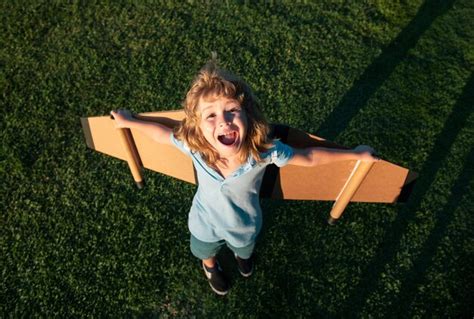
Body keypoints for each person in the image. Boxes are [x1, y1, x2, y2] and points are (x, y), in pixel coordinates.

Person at [110, 58, 378, 296]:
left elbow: (307, 156)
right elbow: (161, 134)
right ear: (198, 127)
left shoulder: (264, 151)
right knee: (204, 251)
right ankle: (211, 268)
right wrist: (129, 122)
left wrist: (354, 155)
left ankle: (241, 258)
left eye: (232, 110)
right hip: (204, 222)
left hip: (245, 226)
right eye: (211, 116)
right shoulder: (194, 146)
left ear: (248, 116)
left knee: (244, 249)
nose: (224, 121)